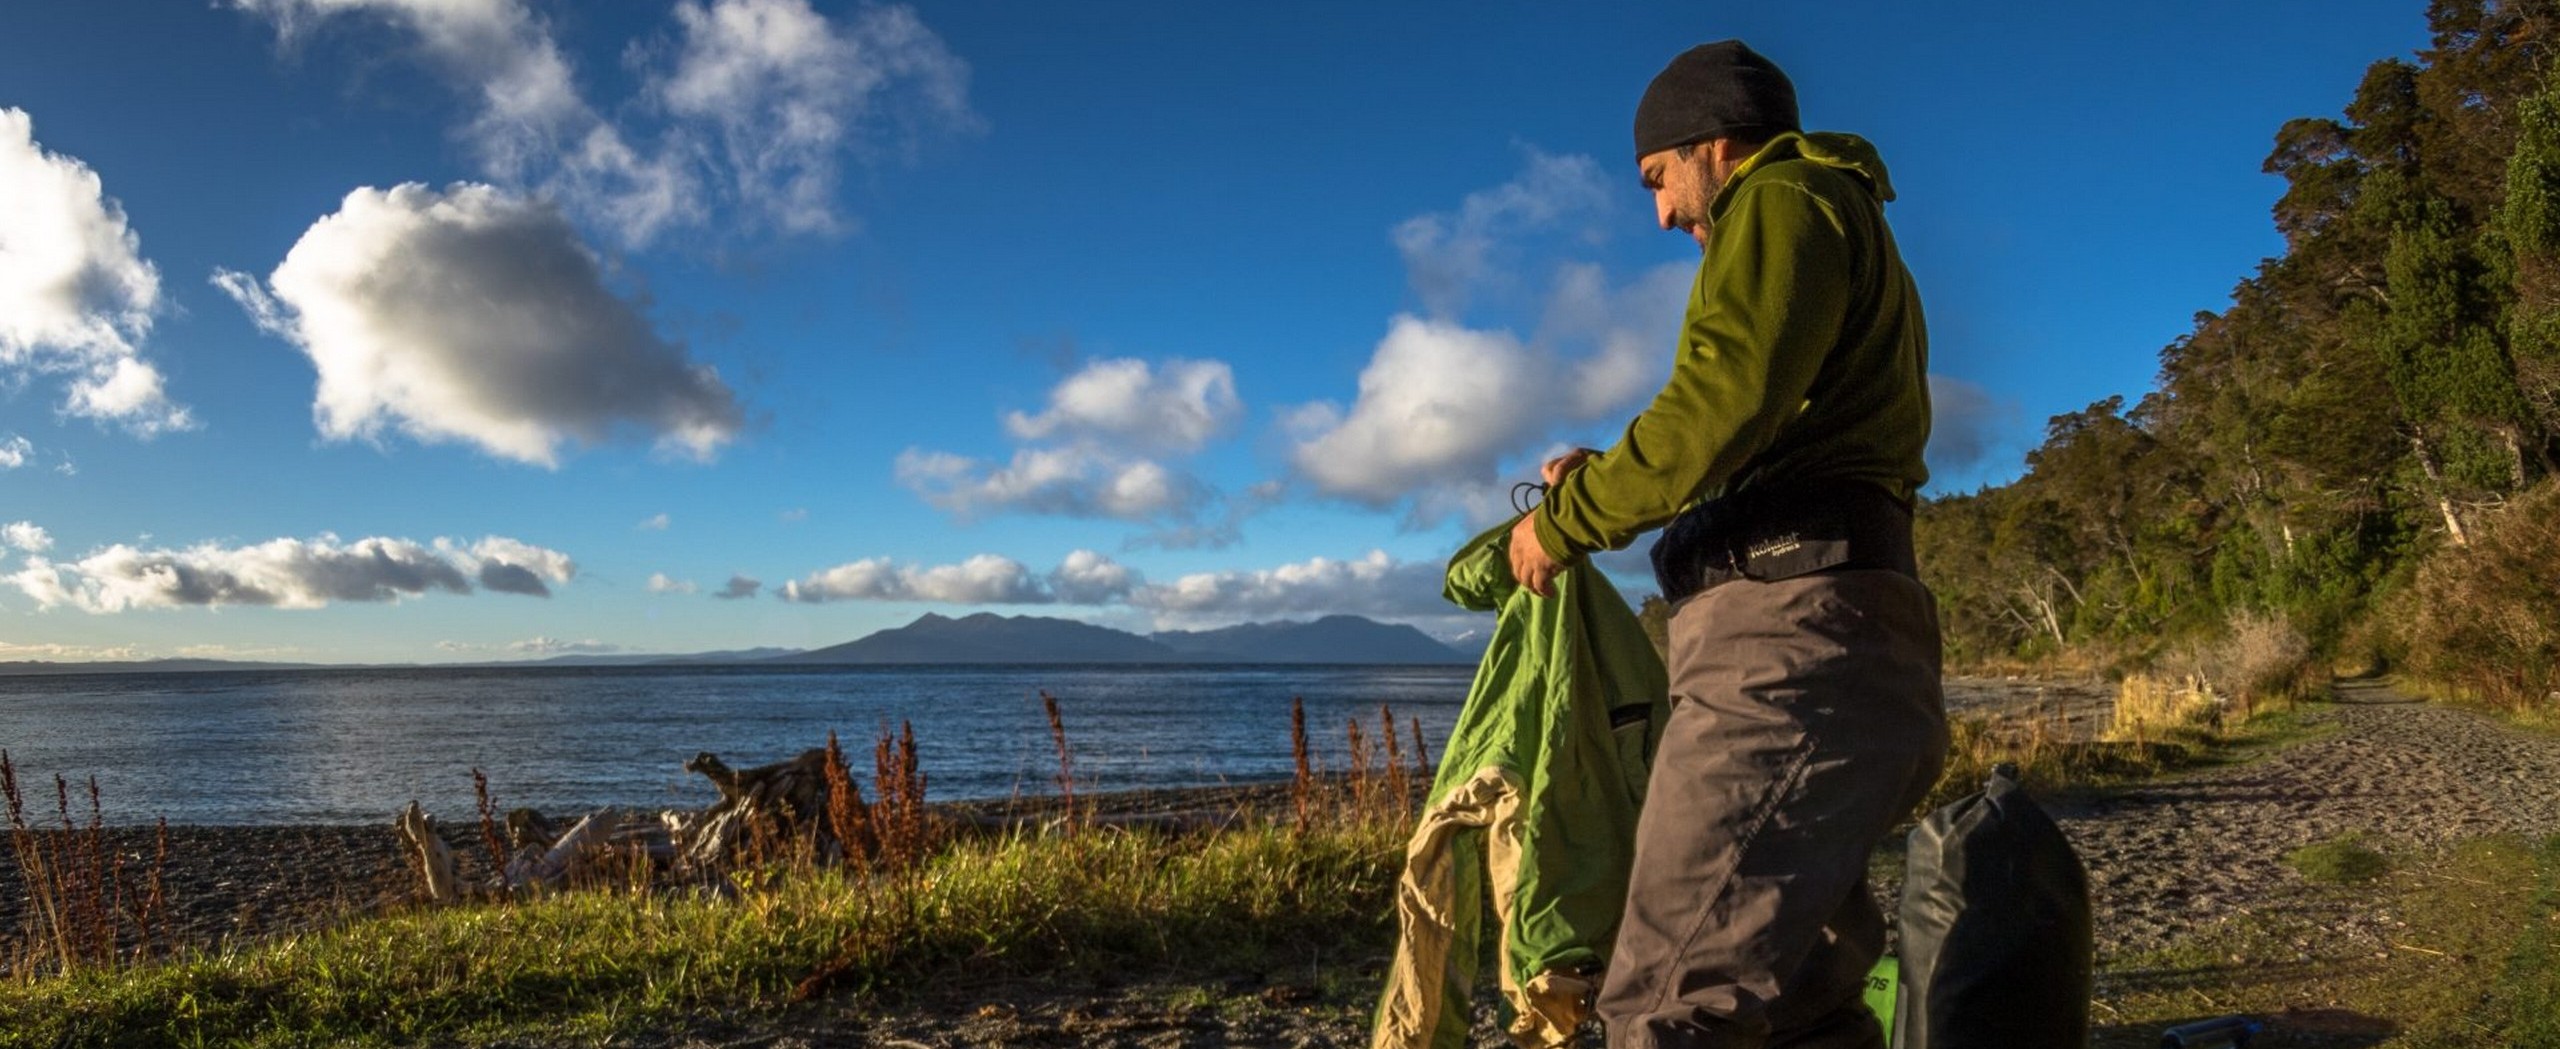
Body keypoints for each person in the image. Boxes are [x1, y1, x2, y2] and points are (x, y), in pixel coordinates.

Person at [1504, 40, 1950, 1049]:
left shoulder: (1782, 200)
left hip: (1785, 652)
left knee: (1672, 997)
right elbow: (1760, 425)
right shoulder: (1838, 217)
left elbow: (1722, 400)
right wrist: (1616, 463)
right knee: (1798, 996)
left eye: (1658, 178)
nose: (1660, 213)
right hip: (1840, 642)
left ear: (1711, 145)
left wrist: (1561, 523)